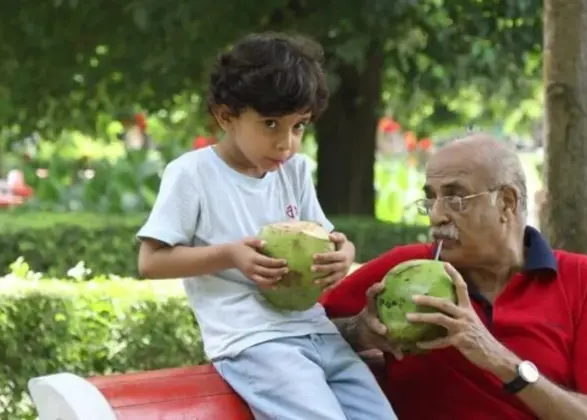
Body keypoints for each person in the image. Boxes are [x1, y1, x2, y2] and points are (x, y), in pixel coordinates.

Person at [136, 32, 396, 420]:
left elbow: (326, 236)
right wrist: (230, 255)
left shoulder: (295, 170)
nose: (286, 143)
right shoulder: (192, 174)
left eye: (299, 127)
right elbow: (150, 261)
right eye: (271, 124)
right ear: (226, 116)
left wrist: (344, 254)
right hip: (254, 342)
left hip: (317, 331)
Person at [321, 134, 587, 420]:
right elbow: (294, 332)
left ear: (506, 202)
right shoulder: (404, 270)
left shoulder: (582, 280)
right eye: (431, 198)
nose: (436, 214)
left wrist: (495, 357)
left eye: (455, 198)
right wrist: (358, 331)